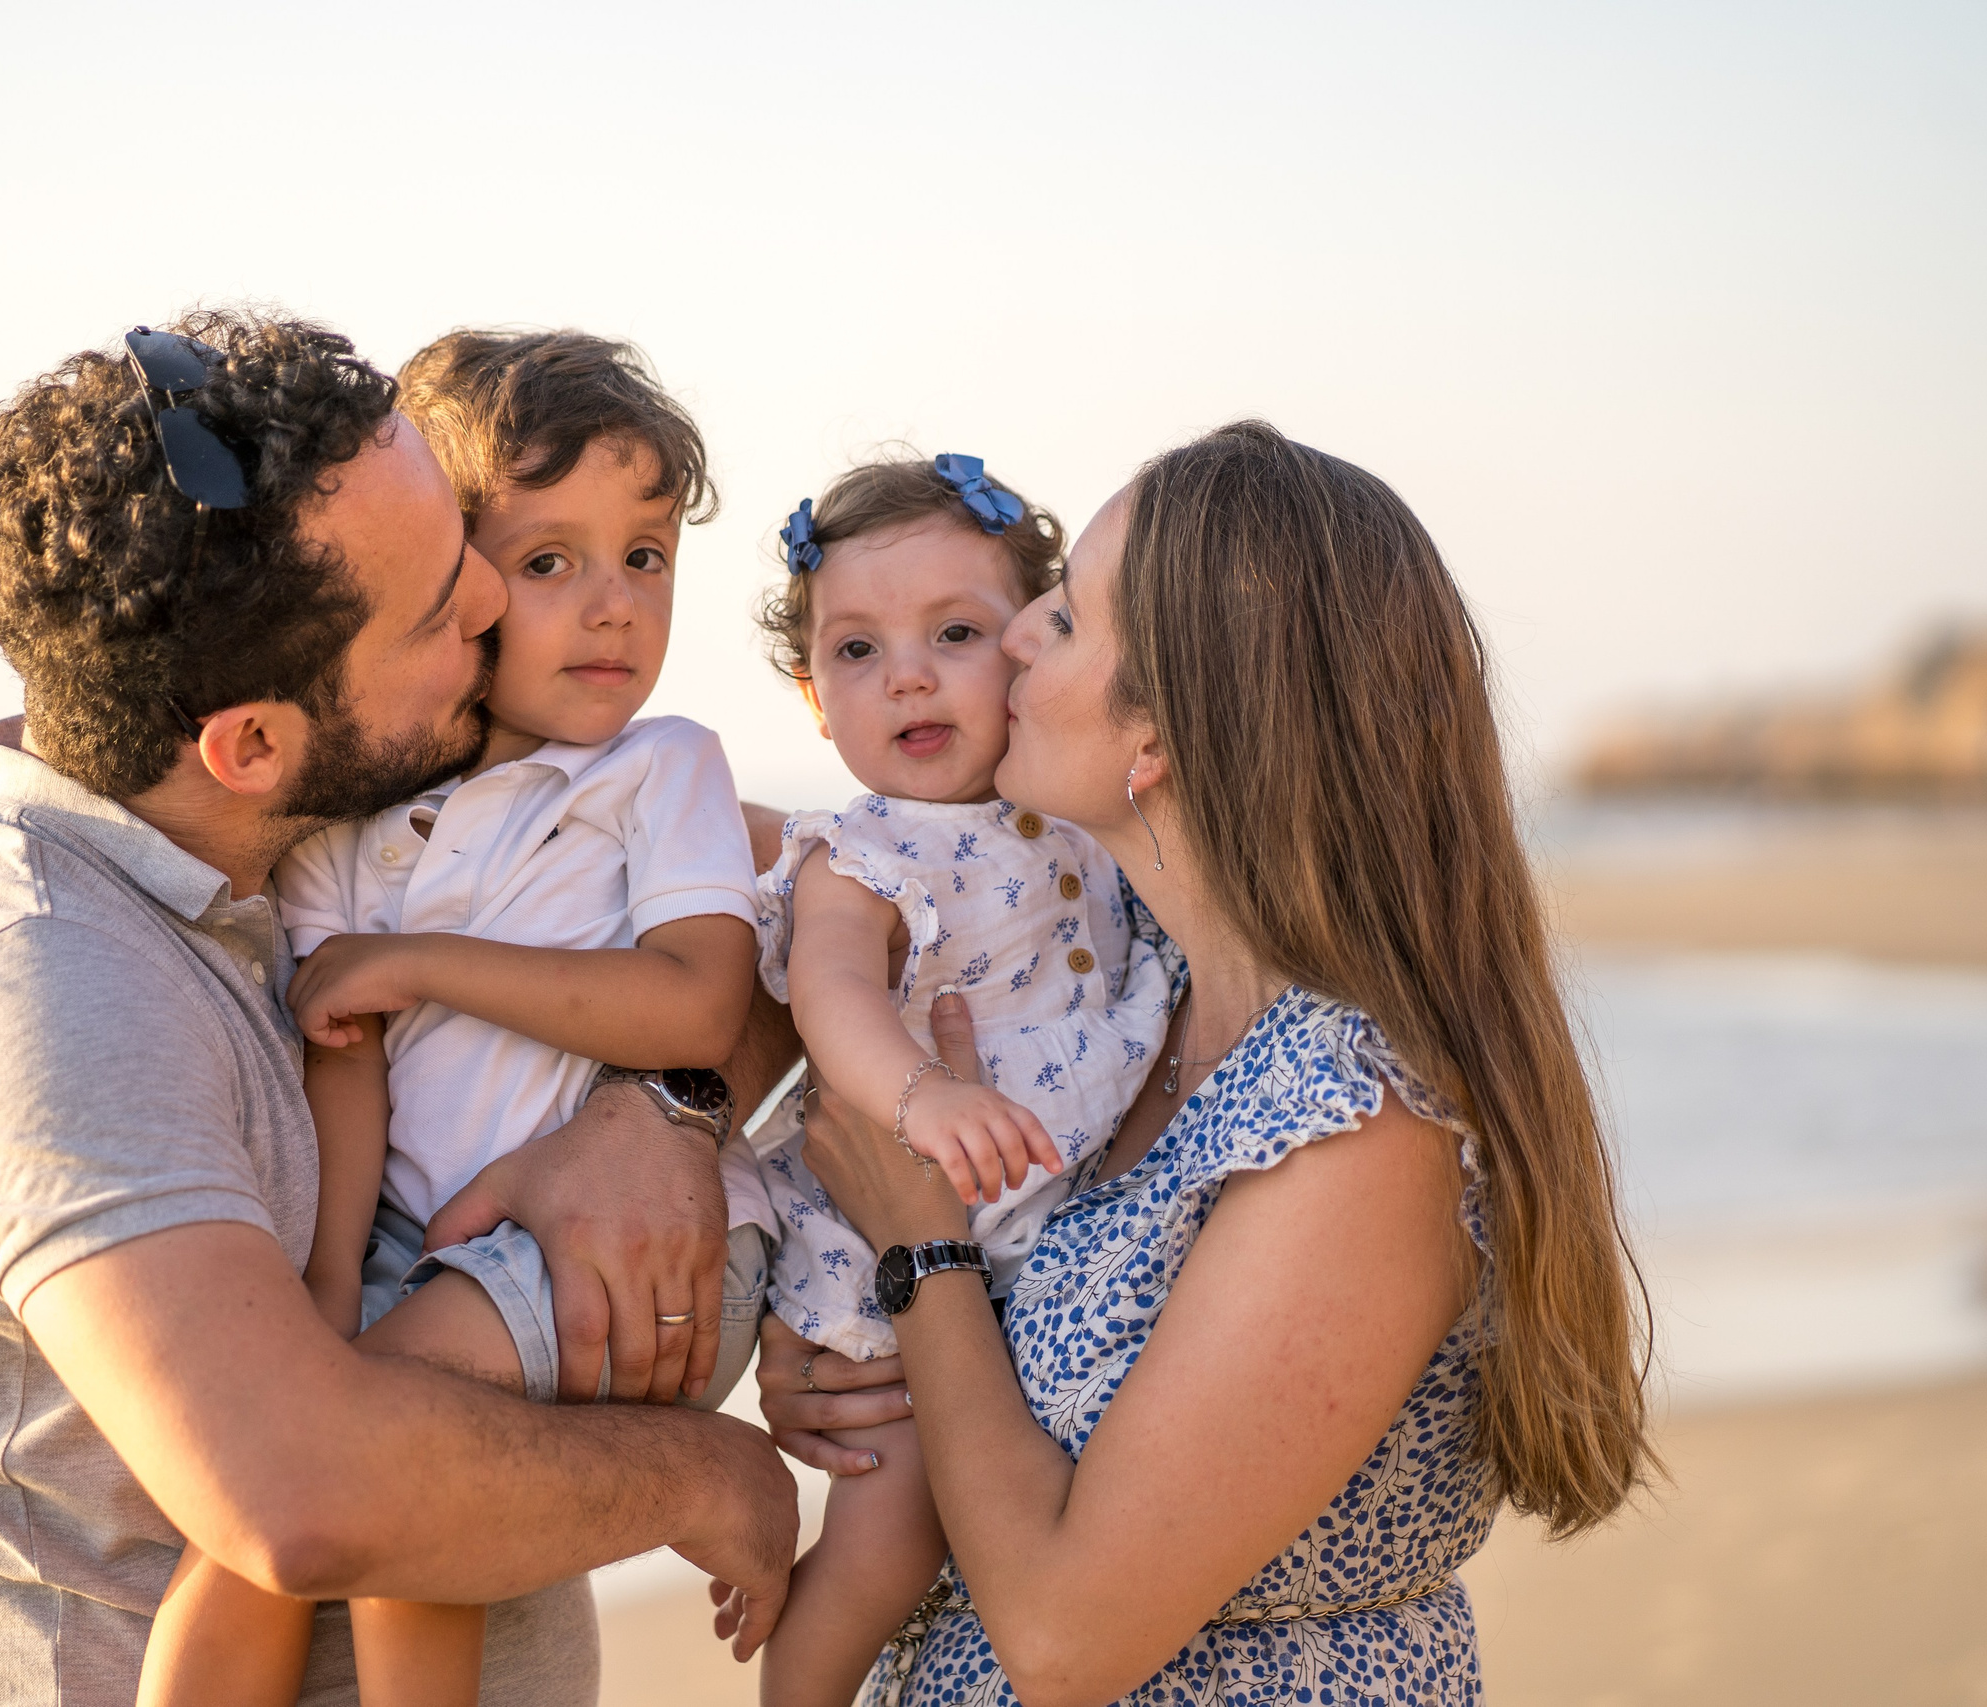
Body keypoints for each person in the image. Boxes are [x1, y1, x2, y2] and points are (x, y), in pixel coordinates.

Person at [0, 307, 799, 1707]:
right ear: (254, 744)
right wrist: (710, 1469)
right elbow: (300, 1497)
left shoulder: (293, 838)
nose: (492, 603)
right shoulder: (45, 988)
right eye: (444, 600)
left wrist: (663, 1110)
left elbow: (755, 921)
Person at [733, 421, 1653, 1705]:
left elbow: (1063, 1640)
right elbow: (780, 877)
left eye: (1057, 621)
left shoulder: (1355, 1121)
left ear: (1156, 735)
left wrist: (917, 1250)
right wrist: (823, 1342)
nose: (1005, 642)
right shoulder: (1121, 999)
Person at [136, 329, 772, 1707]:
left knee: (346, 1473)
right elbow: (344, 1054)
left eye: (646, 557)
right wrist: (322, 1292)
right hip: (428, 1256)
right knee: (322, 1517)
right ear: (459, 583)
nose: (613, 608)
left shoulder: (659, 773)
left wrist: (423, 959)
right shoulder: (355, 821)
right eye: (550, 563)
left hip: (610, 1262)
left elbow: (699, 999)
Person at [737, 455, 1174, 1706]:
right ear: (818, 704)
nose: (908, 675)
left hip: (1012, 1226)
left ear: (1030, 651)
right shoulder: (863, 854)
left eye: (954, 633)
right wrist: (920, 1098)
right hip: (890, 1232)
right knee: (893, 1545)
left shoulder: (1074, 817)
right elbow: (830, 994)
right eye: (857, 652)